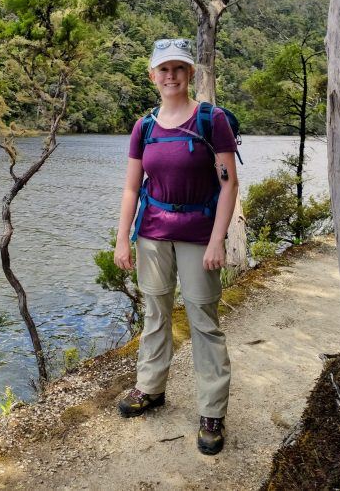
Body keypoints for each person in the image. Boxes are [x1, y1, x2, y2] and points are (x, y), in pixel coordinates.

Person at [113, 38, 239, 455]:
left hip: (200, 232)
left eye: (178, 69)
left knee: (203, 319)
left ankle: (212, 412)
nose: (171, 76)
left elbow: (228, 184)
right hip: (152, 232)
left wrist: (218, 239)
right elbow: (132, 188)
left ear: (190, 75)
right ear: (153, 76)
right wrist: (122, 239)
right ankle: (150, 388)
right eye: (163, 69)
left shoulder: (211, 120)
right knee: (156, 313)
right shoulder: (144, 127)